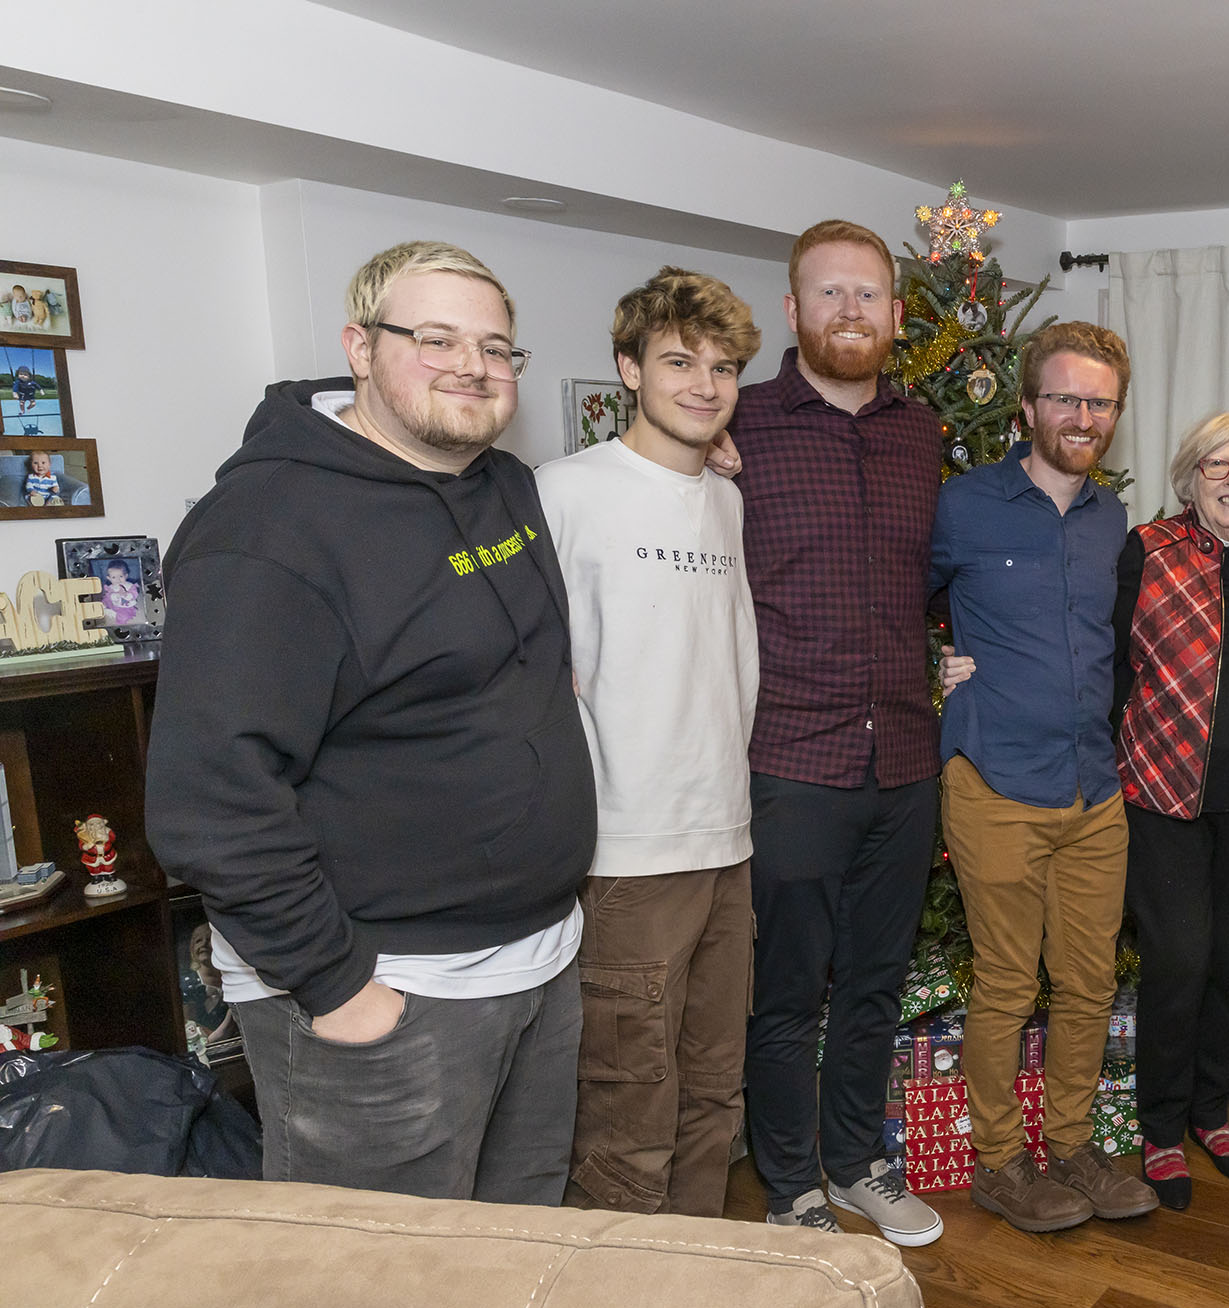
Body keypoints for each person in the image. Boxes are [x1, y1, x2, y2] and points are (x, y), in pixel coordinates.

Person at [146, 240, 595, 1203]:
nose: (472, 365)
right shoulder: (264, 532)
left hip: (537, 962)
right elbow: (209, 802)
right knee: (372, 1282)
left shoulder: (504, 483)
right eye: (435, 339)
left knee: (521, 1255)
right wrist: (339, 988)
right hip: (388, 993)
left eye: (496, 347)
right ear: (359, 348)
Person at [730, 220, 945, 1244]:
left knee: (874, 983)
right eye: (829, 293)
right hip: (791, 760)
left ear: (895, 315)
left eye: (867, 295)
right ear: (792, 310)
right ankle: (790, 1187)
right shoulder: (739, 424)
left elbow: (935, 580)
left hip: (903, 759)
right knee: (785, 994)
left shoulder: (923, 433)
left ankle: (857, 1163)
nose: (850, 312)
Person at [536, 266, 762, 1217]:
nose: (705, 386)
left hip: (727, 841)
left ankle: (695, 1273)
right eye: (679, 362)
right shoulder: (564, 491)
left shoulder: (725, 497)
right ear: (629, 369)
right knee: (628, 1106)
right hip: (627, 853)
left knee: (713, 1094)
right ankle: (616, 1295)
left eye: (723, 368)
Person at [929, 321, 1157, 1233]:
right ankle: (998, 1162)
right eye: (1065, 397)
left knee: (1090, 984)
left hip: (1092, 788)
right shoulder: (962, 505)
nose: (1082, 416)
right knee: (1007, 985)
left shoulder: (1110, 521)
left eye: (1100, 402)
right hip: (995, 780)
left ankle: (1070, 1146)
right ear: (1027, 407)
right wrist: (932, 663)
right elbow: (894, 600)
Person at [1114, 412, 1229, 1210]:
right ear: (1191, 474)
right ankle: (1161, 1127)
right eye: (1216, 465)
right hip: (1164, 794)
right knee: (1180, 962)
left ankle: (1211, 1111)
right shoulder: (1148, 549)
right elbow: (1110, 665)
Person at [100, 560, 141, 625]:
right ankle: (109, 609)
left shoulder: (129, 586)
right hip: (113, 603)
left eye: (121, 576)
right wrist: (115, 595)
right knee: (105, 600)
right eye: (113, 577)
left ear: (126, 576)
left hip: (124, 606)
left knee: (123, 616)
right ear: (109, 578)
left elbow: (134, 593)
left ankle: (115, 614)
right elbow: (109, 595)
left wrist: (126, 594)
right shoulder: (111, 587)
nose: (118, 579)